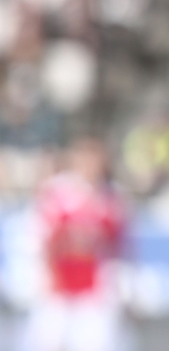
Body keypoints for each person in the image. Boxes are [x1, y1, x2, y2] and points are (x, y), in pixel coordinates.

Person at [23, 138, 126, 351]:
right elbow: (41, 237)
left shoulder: (111, 198)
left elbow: (118, 245)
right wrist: (45, 275)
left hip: (93, 289)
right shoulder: (56, 193)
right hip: (58, 285)